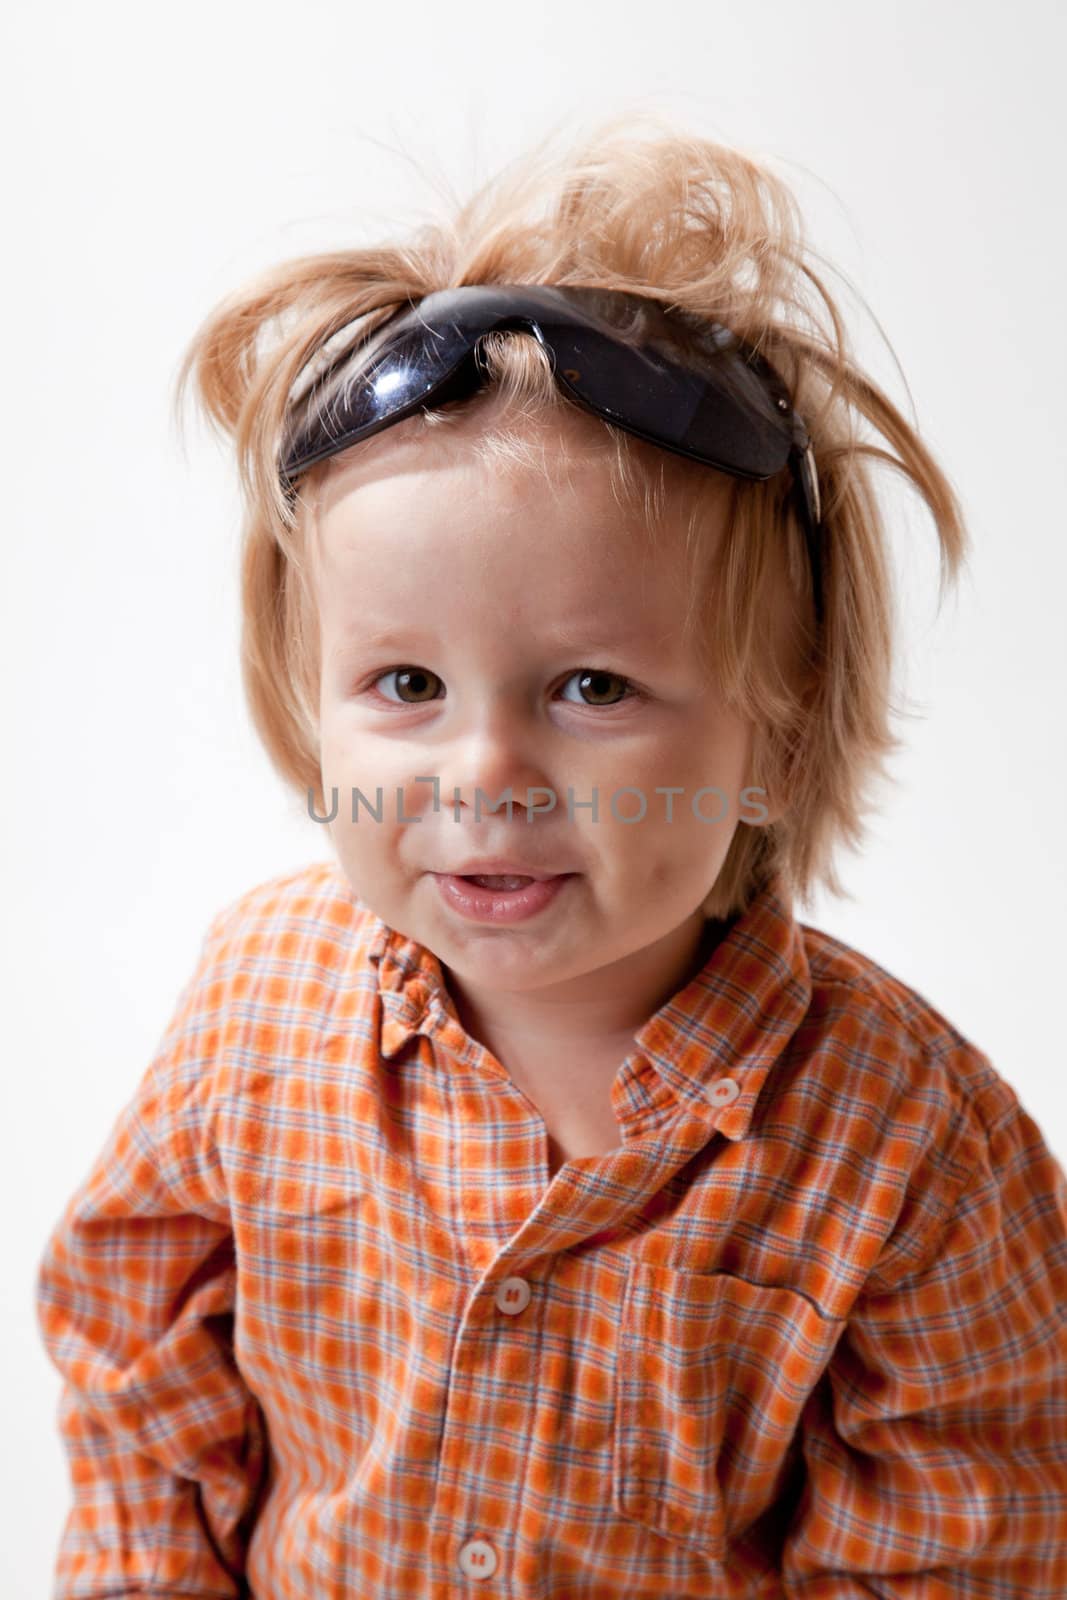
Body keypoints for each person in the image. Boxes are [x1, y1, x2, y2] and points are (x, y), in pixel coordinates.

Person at [35, 111, 1067, 1598]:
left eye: (593, 688)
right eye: (405, 687)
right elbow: (137, 1354)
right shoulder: (253, 1008)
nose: (485, 772)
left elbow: (963, 1533)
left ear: (772, 737)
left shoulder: (905, 1150)